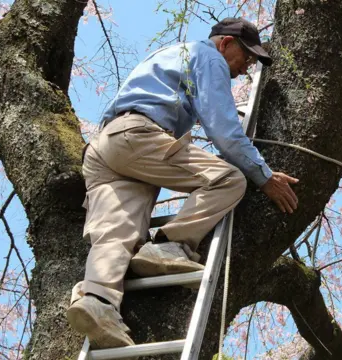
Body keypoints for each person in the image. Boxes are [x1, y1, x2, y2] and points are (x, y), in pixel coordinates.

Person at [66, 17, 299, 349]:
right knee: (229, 179)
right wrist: (264, 177)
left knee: (119, 232)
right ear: (226, 43)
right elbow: (225, 131)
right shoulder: (209, 58)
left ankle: (98, 302)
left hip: (107, 147)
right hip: (137, 136)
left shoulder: (173, 55)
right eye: (245, 57)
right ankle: (168, 245)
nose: (245, 68)